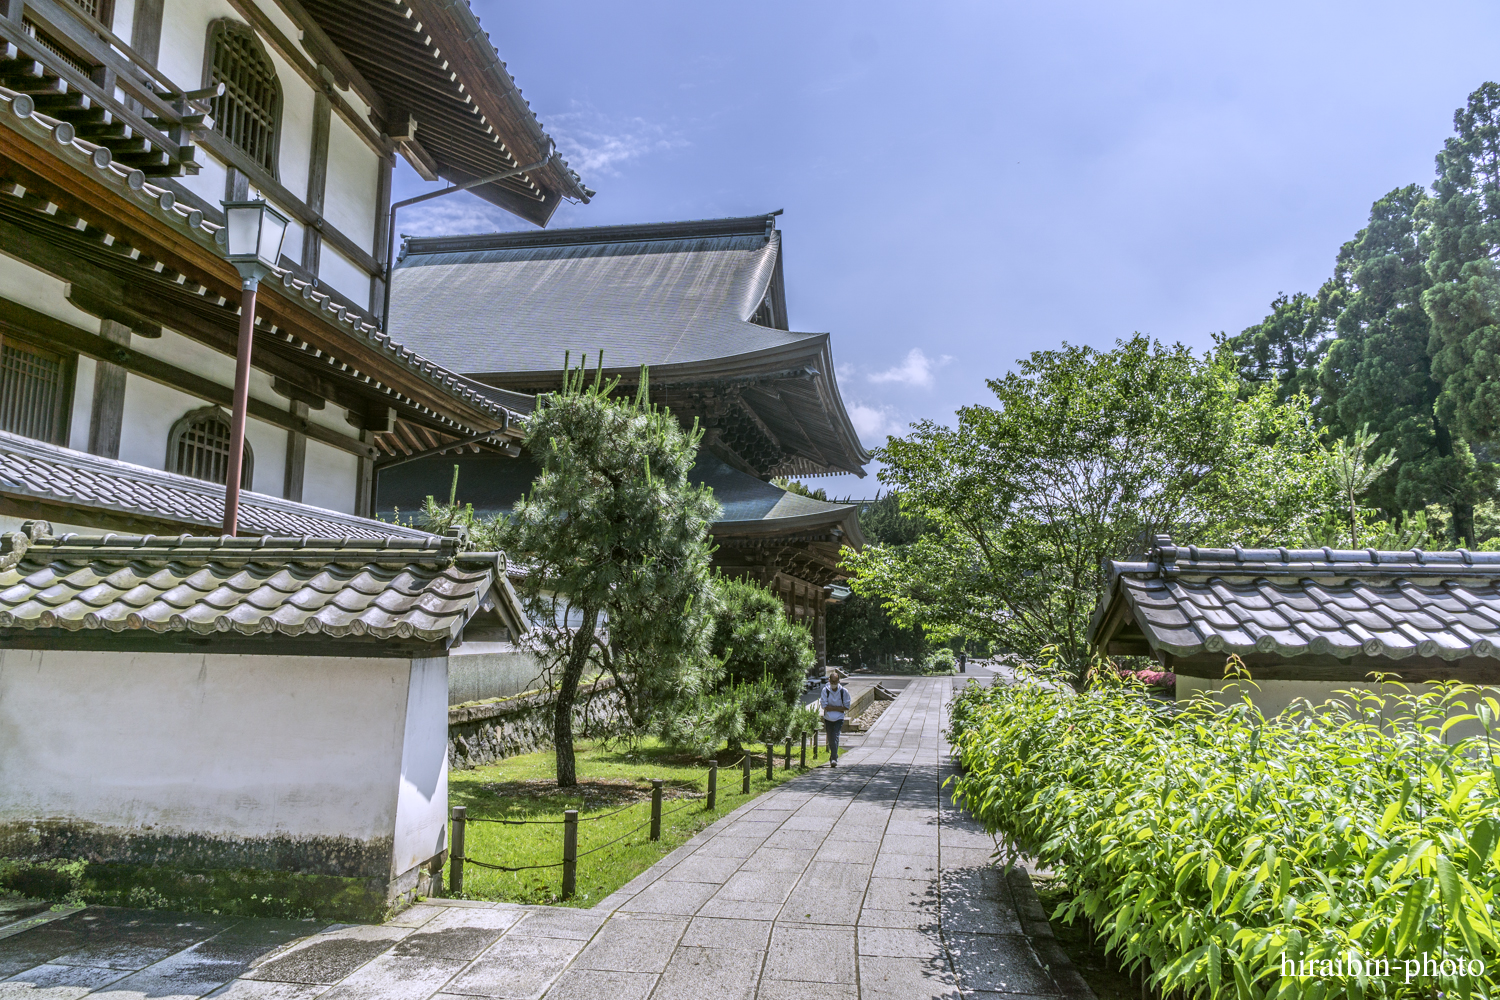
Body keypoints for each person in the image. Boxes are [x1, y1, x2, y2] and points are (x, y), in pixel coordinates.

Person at [820, 669, 852, 767]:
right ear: (829, 681)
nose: (833, 684)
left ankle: (834, 758)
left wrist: (832, 708)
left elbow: (846, 706)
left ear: (839, 682)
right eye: (832, 682)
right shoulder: (825, 690)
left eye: (835, 682)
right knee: (830, 737)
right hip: (828, 718)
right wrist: (838, 708)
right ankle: (834, 755)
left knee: (836, 736)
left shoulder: (843, 691)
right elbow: (824, 705)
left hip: (839, 718)